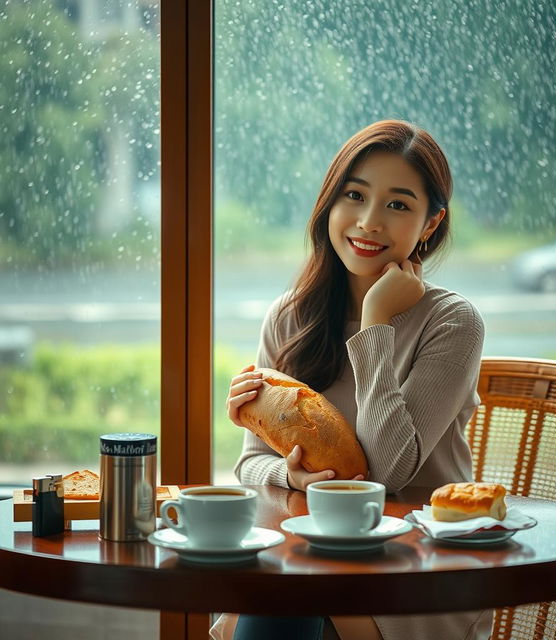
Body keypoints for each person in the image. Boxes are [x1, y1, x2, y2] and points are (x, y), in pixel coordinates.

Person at [217, 120, 492, 640]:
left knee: (286, 598)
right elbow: (250, 464)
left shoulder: (453, 322)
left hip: (412, 565)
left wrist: (374, 327)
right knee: (284, 590)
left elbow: (384, 476)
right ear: (330, 202)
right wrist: (291, 477)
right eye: (355, 195)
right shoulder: (290, 316)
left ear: (430, 223)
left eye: (398, 205)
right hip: (308, 551)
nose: (368, 222)